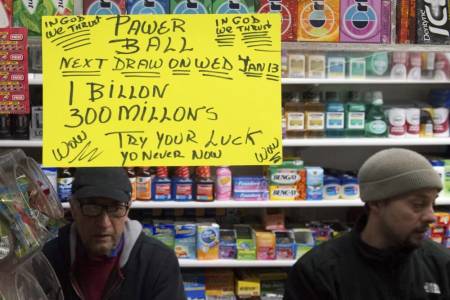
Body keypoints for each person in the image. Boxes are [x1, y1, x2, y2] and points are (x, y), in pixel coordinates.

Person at [284, 148, 450, 300]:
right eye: (418, 204)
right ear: (376, 203)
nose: (431, 216)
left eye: (432, 204)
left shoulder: (441, 265)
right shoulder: (318, 273)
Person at [43, 167, 186, 300]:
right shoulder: (48, 260)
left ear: (127, 210)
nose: (104, 223)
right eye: (92, 208)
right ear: (73, 209)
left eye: (115, 209)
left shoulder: (159, 263)